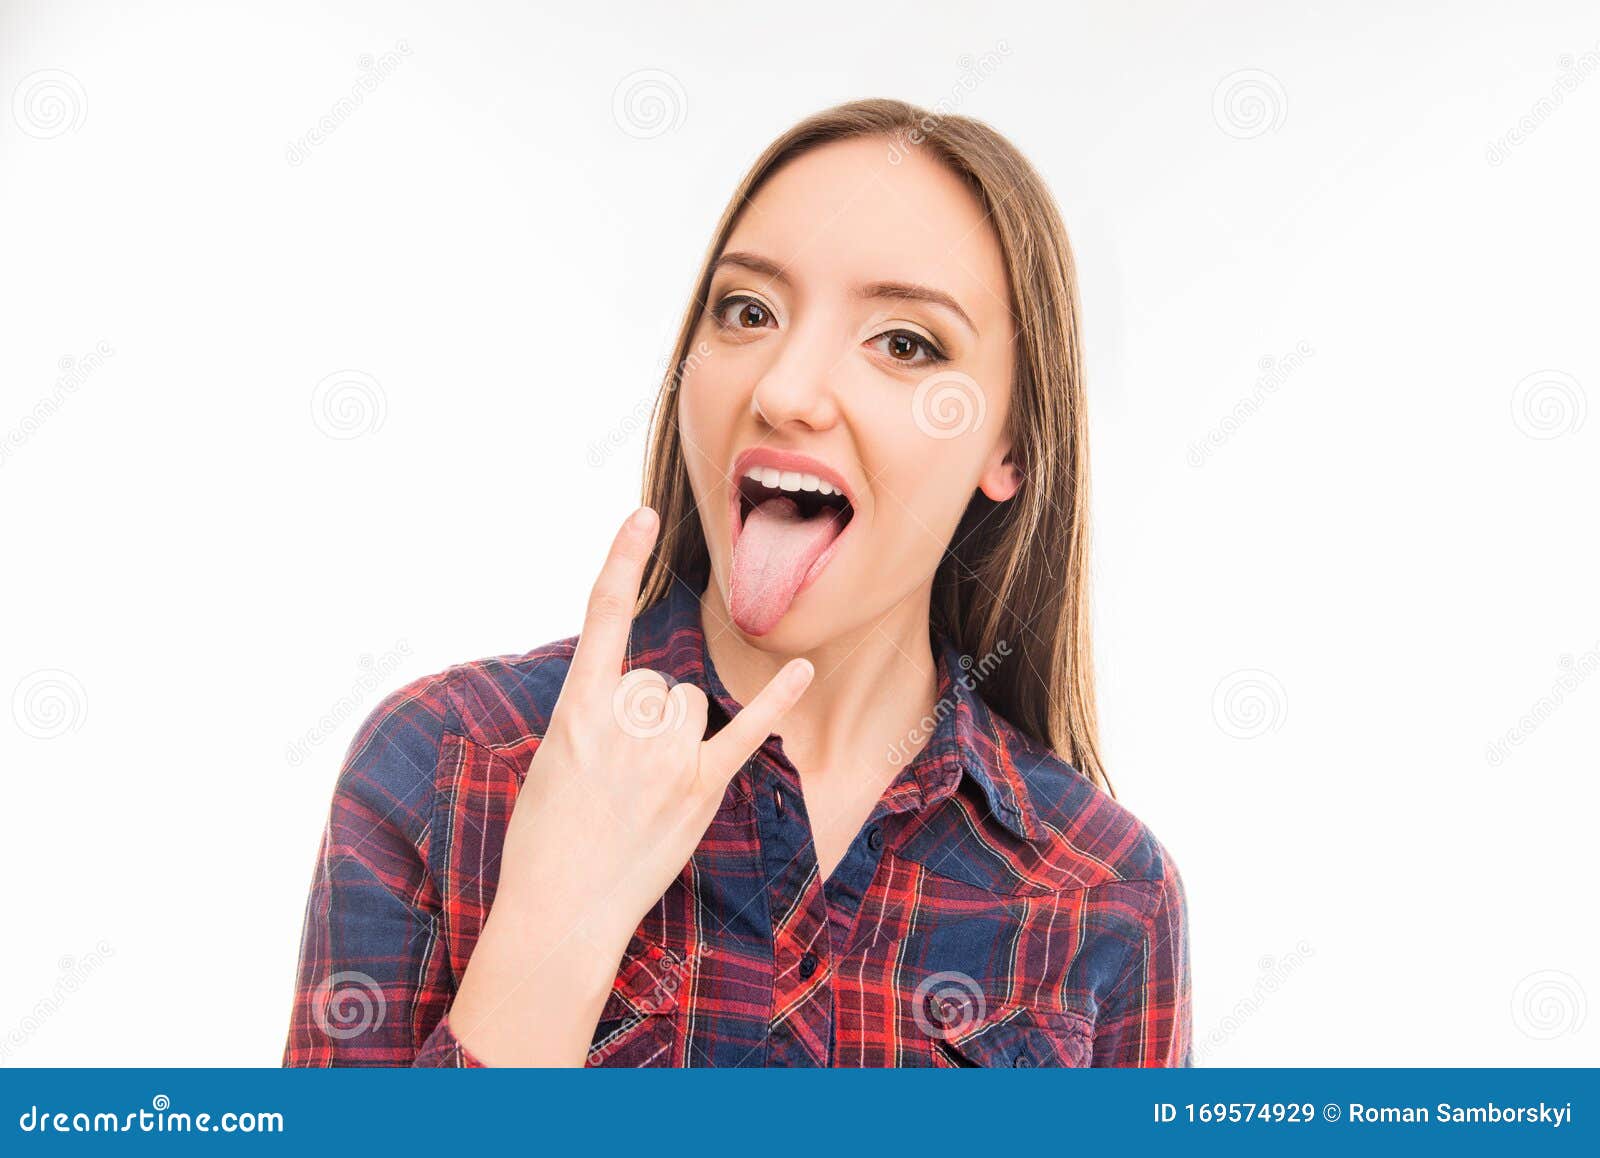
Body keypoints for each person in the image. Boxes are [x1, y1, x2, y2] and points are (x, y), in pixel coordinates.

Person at [283, 97, 1191, 1068]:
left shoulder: (1106, 892)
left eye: (905, 343)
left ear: (1007, 446)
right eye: (747, 312)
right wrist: (555, 925)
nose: (784, 390)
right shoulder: (444, 763)